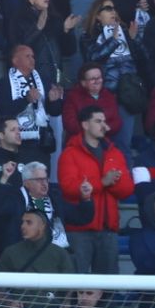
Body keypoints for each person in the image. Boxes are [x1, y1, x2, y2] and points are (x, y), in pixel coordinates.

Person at [58, 104, 133, 273]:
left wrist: (106, 183)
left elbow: (127, 189)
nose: (103, 125)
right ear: (85, 125)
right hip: (79, 231)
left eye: (104, 121)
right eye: (98, 121)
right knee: (77, 284)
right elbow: (69, 187)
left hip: (108, 229)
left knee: (108, 288)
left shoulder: (114, 153)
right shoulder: (70, 153)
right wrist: (103, 182)